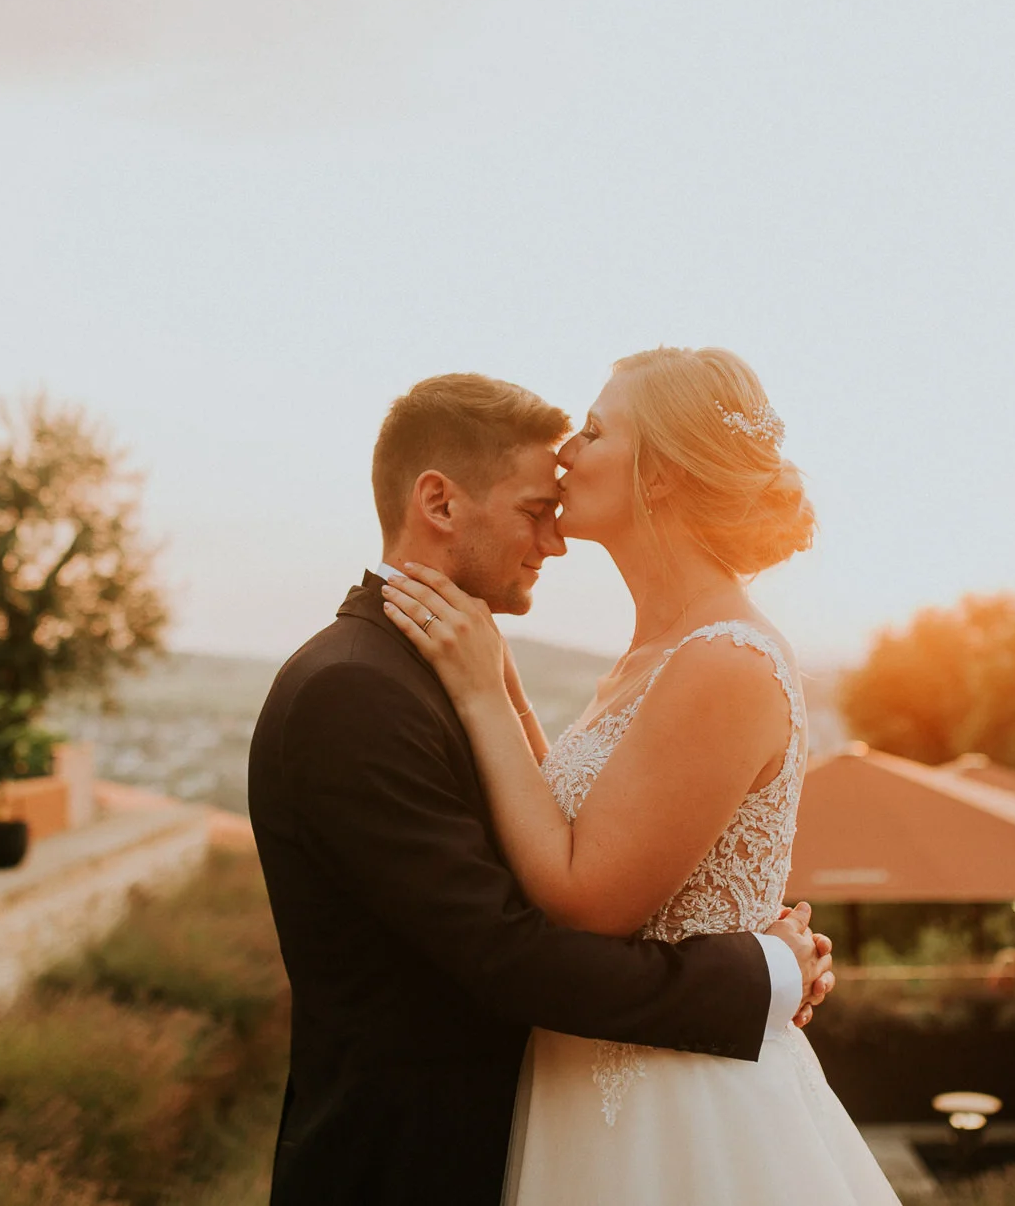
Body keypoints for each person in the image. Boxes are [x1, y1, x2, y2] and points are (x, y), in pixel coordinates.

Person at [248, 372, 836, 1206]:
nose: (554, 530)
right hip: (406, 1164)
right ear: (441, 504)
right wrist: (758, 972)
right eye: (534, 510)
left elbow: (595, 855)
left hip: (634, 1129)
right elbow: (509, 951)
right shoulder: (355, 690)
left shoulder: (452, 671)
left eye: (595, 432)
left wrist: (741, 924)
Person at [381, 348, 898, 1204]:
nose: (565, 454)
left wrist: (480, 695)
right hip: (590, 1087)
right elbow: (580, 826)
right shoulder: (653, 656)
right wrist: (507, 692)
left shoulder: (724, 660)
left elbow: (586, 897)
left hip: (684, 1118)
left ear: (659, 475)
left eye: (592, 430)